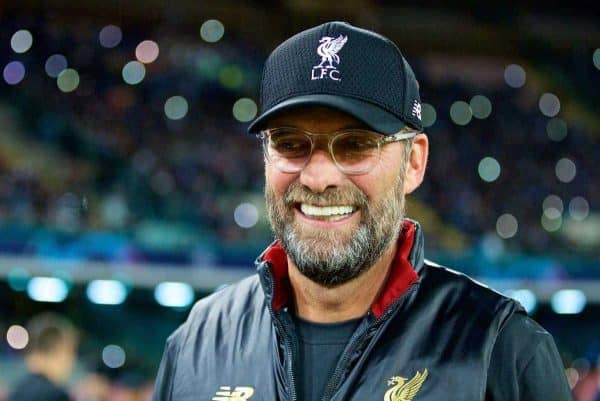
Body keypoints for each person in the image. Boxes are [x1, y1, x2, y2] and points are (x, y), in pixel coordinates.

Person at [152, 21, 573, 401]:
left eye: (355, 145)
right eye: (290, 144)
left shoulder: (500, 350)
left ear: (414, 163)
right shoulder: (197, 342)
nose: (318, 178)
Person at [8, 312, 78, 401]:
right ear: (59, 349)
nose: (72, 360)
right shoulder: (55, 395)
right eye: (71, 351)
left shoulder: (17, 390)